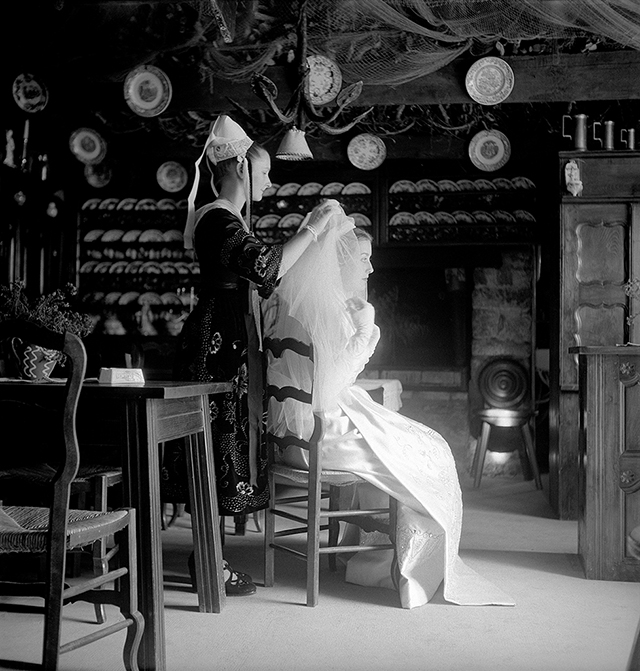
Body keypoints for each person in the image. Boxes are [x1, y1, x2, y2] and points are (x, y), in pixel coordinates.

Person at [263, 214, 515, 609]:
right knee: (429, 455)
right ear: (340, 260)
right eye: (363, 257)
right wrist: (367, 331)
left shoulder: (297, 304)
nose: (370, 267)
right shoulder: (327, 311)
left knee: (417, 441)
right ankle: (407, 567)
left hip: (293, 433)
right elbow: (327, 391)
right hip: (317, 437)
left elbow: (315, 380)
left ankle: (380, 556)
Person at [167, 114, 342, 596]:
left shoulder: (224, 218)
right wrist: (313, 227)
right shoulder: (219, 218)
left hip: (228, 343)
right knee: (218, 445)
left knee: (225, 442)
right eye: (263, 172)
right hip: (218, 349)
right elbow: (268, 266)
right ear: (239, 168)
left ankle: (209, 553)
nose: (267, 181)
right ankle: (210, 558)